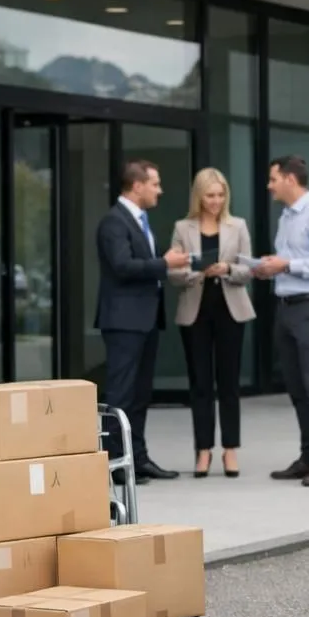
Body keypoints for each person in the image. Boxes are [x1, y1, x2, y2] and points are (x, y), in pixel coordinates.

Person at [95, 158, 190, 483]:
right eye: (155, 184)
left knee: (140, 394)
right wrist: (163, 264)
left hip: (146, 320)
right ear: (137, 186)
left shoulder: (140, 220)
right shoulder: (114, 222)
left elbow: (143, 263)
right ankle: (114, 465)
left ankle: (138, 458)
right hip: (124, 322)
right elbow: (123, 266)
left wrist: (170, 263)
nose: (159, 190)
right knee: (121, 395)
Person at [256, 154, 309, 488]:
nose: (269, 185)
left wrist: (286, 265)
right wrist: (270, 267)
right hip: (287, 307)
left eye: (273, 179)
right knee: (296, 387)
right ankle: (308, 457)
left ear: (290, 179)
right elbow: (289, 261)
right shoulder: (286, 217)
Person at [168, 167, 256, 478]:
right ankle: (202, 451)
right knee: (201, 384)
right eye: (210, 195)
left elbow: (248, 269)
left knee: (229, 384)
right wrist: (199, 272)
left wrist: (226, 269)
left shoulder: (238, 226)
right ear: (199, 196)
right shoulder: (183, 227)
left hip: (231, 311)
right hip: (196, 313)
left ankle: (230, 450)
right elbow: (174, 271)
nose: (216, 201)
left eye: (220, 195)